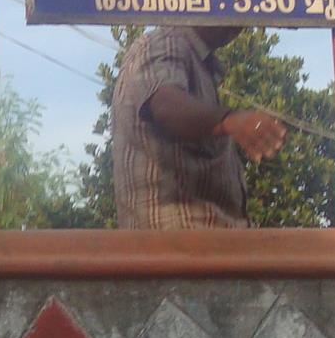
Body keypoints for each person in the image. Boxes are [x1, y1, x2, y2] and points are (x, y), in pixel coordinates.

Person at [111, 25, 286, 229]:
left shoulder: (200, 64)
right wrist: (228, 120)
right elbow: (165, 105)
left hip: (212, 246)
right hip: (179, 245)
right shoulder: (166, 41)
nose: (239, 25)